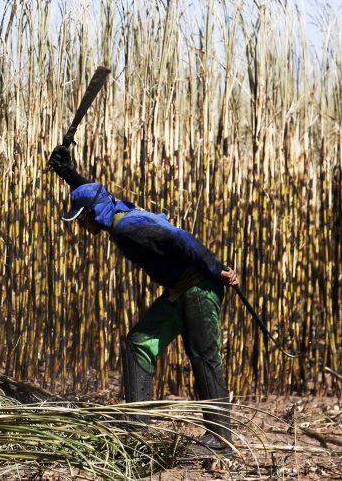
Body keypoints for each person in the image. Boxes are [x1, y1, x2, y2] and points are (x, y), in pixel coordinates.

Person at [48, 143, 238, 457]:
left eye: (82, 219)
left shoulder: (128, 230)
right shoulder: (117, 211)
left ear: (95, 214)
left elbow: (179, 237)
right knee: (138, 343)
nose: (81, 226)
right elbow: (94, 194)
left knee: (203, 355)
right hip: (180, 290)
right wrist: (67, 172)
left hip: (200, 288)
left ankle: (220, 439)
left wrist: (217, 268)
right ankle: (137, 431)